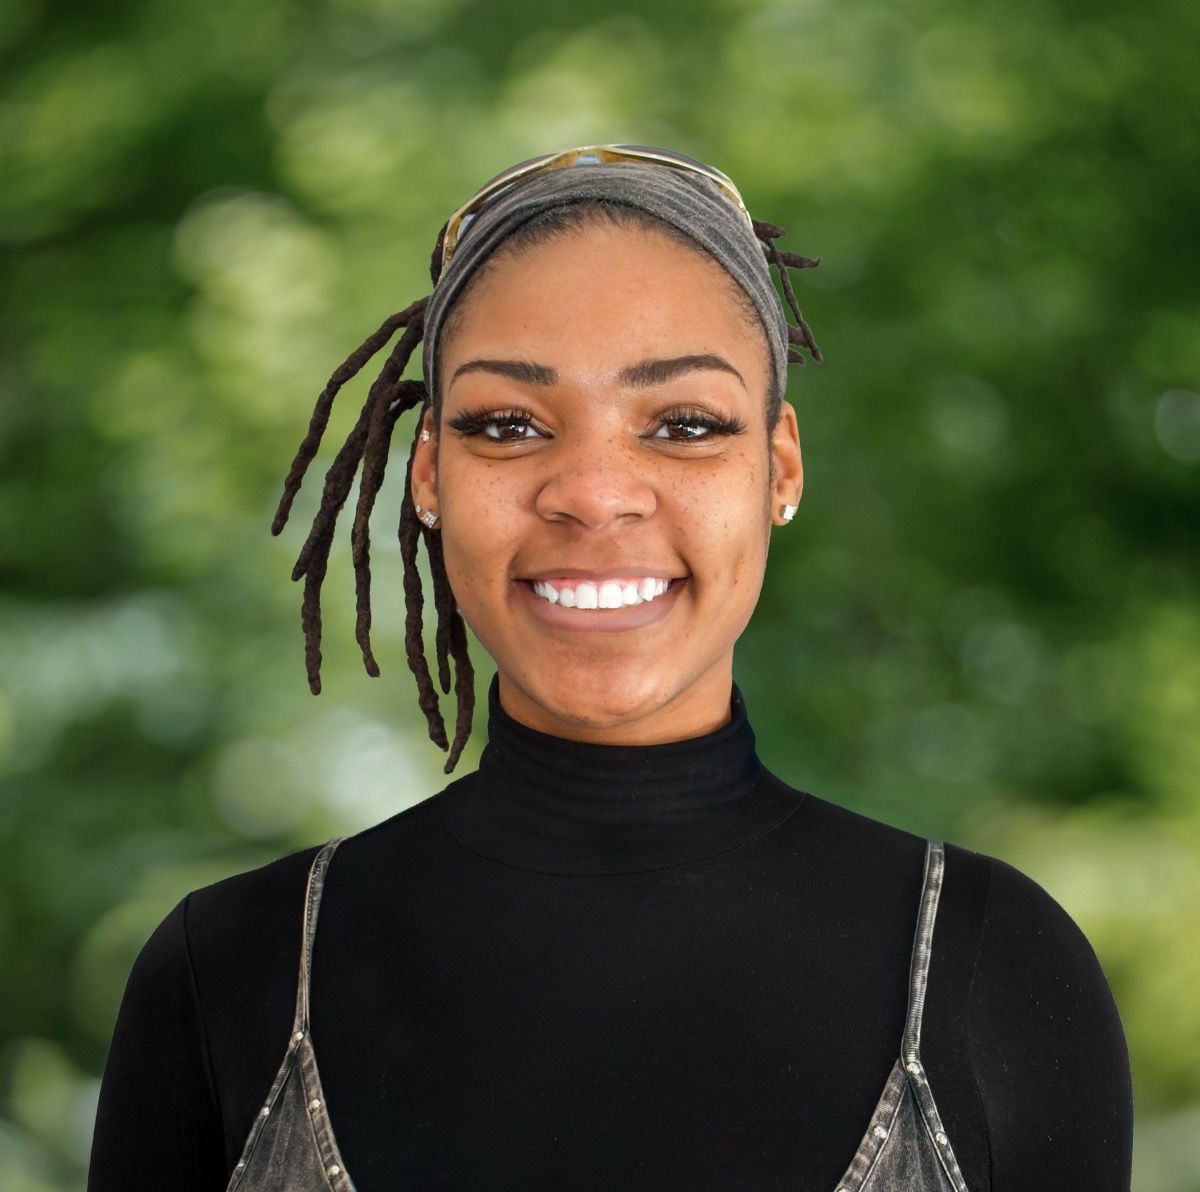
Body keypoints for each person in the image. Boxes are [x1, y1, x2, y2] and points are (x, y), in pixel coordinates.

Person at [87, 145, 1134, 1191]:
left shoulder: (998, 968)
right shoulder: (225, 976)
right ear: (430, 475)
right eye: (509, 425)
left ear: (779, 468)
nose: (592, 494)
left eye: (682, 425)